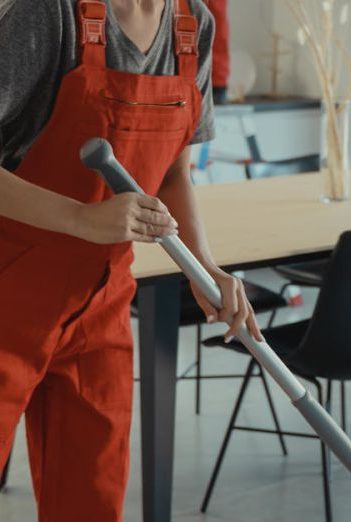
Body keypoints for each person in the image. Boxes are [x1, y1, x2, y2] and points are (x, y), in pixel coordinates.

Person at [0, 1, 263, 520]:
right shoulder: (51, 15)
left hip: (101, 304)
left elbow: (172, 176)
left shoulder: (193, 28)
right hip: (10, 291)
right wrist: (82, 217)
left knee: (91, 500)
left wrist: (203, 265)